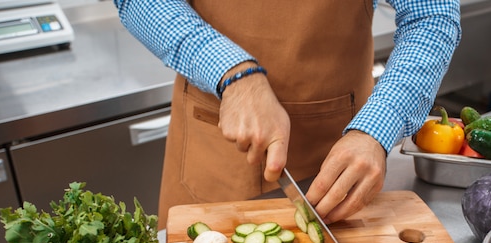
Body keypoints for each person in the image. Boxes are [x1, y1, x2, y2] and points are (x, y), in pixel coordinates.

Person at [113, 0, 461, 229]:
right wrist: (230, 72)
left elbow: (430, 16)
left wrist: (375, 129)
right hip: (211, 140)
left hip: (338, 152)